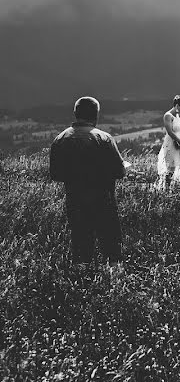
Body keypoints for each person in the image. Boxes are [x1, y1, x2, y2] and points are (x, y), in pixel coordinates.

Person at [49, 97, 126, 264]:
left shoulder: (60, 139)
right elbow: (119, 172)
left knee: (81, 244)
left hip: (75, 201)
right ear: (95, 115)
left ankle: (82, 282)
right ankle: (114, 281)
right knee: (111, 245)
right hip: (104, 199)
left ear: (75, 113)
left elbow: (55, 174)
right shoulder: (104, 138)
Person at [157, 96, 180, 188]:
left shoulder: (177, 115)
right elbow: (170, 132)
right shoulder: (168, 115)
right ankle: (166, 187)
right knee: (171, 167)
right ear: (177, 105)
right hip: (171, 143)